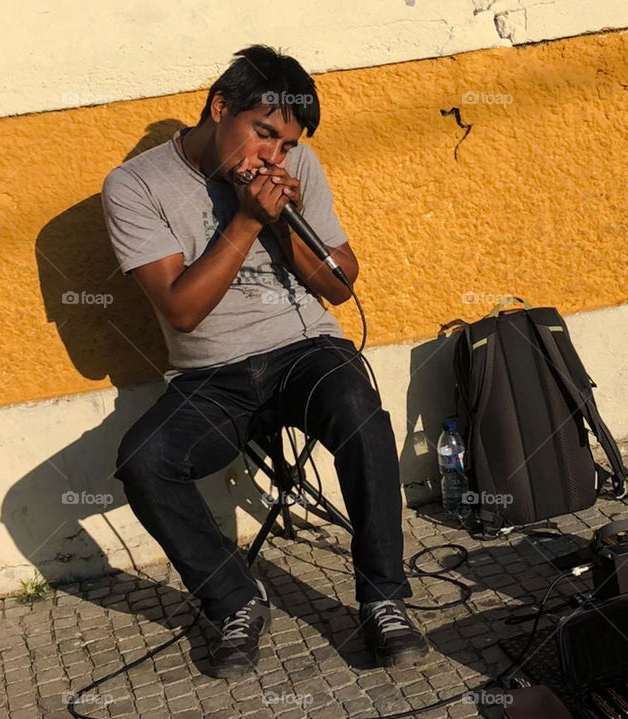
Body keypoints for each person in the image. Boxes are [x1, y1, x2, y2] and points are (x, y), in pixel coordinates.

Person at [101, 45, 429, 677]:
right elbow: (181, 310)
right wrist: (248, 222)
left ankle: (384, 600)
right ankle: (234, 601)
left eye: (285, 144)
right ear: (221, 107)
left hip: (303, 350)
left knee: (360, 410)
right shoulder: (136, 185)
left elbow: (339, 285)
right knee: (145, 461)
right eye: (263, 134)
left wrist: (286, 222)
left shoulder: (297, 161)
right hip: (212, 376)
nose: (272, 156)